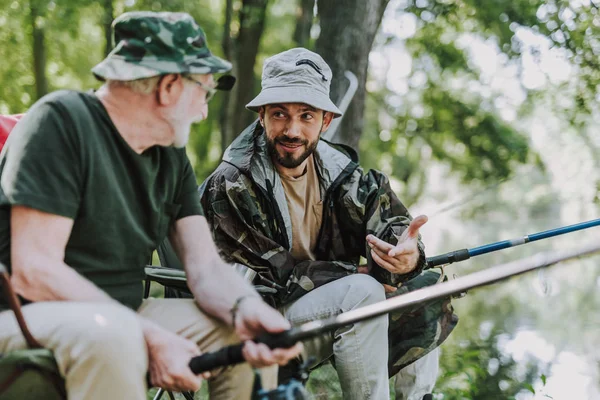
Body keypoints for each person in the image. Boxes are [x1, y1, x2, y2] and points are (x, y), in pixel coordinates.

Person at [0, 12, 301, 400]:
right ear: (170, 87)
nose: (204, 111)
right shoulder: (60, 122)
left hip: (119, 315)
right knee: (113, 335)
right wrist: (149, 335)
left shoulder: (170, 157)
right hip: (22, 315)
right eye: (204, 92)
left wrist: (246, 308)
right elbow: (33, 271)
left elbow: (205, 268)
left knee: (233, 332)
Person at [199, 48, 457, 400]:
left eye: (306, 116)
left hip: (316, 311)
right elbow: (272, 276)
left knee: (424, 286)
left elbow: (392, 221)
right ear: (261, 116)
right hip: (256, 319)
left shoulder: (342, 173)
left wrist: (406, 255)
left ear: (325, 121)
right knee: (363, 293)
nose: (292, 129)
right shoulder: (232, 182)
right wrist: (356, 275)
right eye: (279, 114)